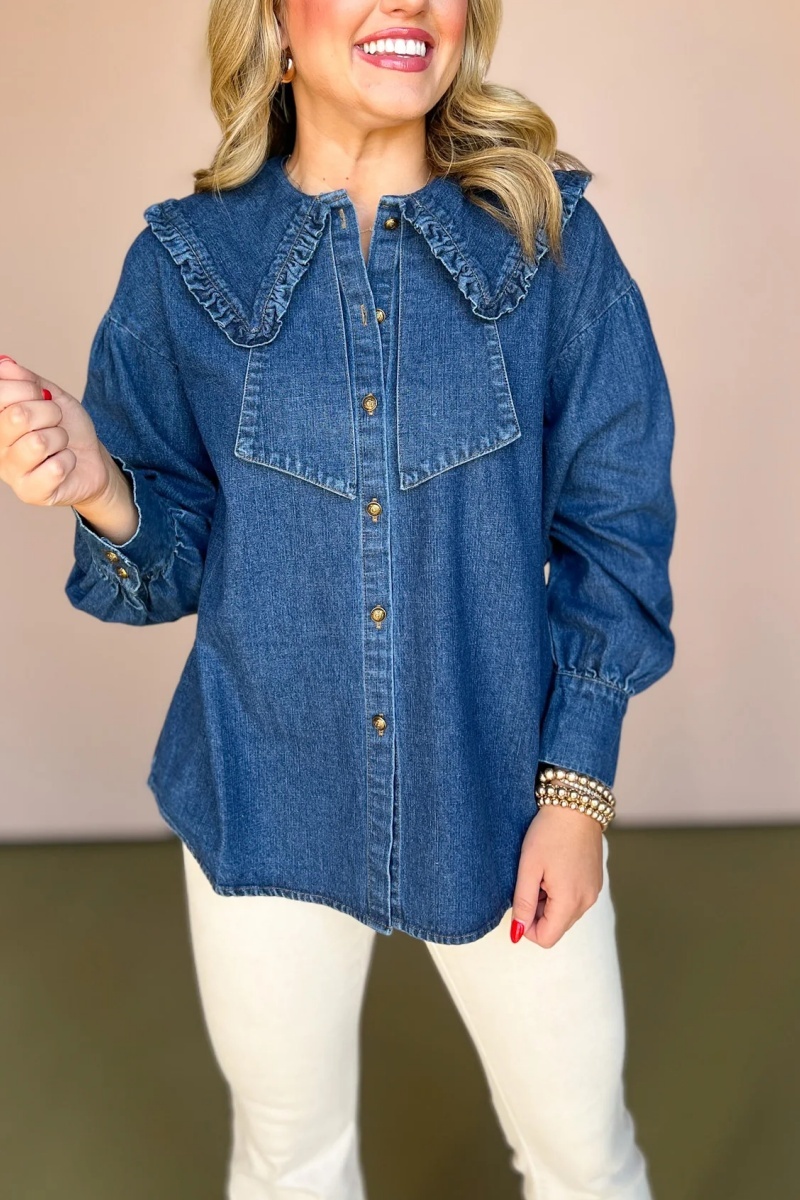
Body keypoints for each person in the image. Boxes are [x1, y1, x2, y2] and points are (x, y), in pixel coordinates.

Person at [0, 1, 677, 1196]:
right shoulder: (180, 267)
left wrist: (573, 791)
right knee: (289, 1165)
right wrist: (100, 485)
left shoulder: (551, 243)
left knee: (582, 1157)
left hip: (499, 795)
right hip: (260, 791)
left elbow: (614, 530)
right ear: (273, 20)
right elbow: (167, 573)